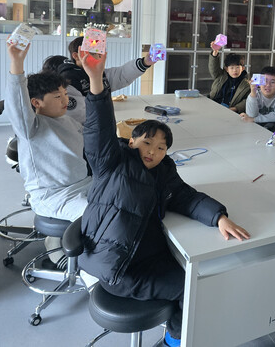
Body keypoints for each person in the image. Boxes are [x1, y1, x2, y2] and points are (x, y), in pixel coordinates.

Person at [77, 48, 250, 347]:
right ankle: (175, 339)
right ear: (131, 141)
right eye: (147, 143)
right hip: (120, 267)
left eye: (161, 148)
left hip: (147, 254)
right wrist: (96, 81)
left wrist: (218, 217)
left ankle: (178, 332)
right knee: (191, 287)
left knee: (200, 274)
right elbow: (98, 130)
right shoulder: (112, 162)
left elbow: (185, 196)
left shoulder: (163, 170)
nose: (152, 152)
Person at [4, 43, 91, 222]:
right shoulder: (31, 127)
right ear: (36, 103)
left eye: (65, 94)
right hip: (54, 196)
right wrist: (16, 63)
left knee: (123, 197)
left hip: (85, 185)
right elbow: (17, 103)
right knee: (98, 217)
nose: (65, 100)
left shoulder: (69, 121)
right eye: (58, 96)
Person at [57, 36, 156, 124]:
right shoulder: (68, 80)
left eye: (100, 53)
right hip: (86, 132)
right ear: (76, 56)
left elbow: (121, 75)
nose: (99, 57)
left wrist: (145, 62)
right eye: (93, 53)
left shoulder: (99, 73)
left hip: (104, 126)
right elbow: (78, 114)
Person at [208, 39, 250, 113]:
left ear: (243, 68)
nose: (235, 70)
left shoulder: (246, 83)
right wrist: (215, 51)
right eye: (232, 68)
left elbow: (247, 100)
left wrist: (235, 108)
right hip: (213, 106)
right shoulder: (221, 76)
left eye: (237, 67)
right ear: (226, 69)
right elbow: (213, 67)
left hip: (231, 111)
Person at [242, 66, 275, 131]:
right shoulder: (255, 94)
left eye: (272, 82)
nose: (268, 85)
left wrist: (255, 119)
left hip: (271, 130)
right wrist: (253, 92)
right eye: (265, 81)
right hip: (252, 128)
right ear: (260, 83)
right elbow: (251, 115)